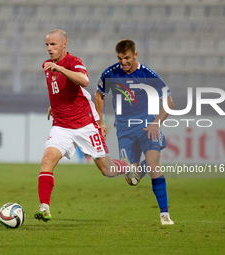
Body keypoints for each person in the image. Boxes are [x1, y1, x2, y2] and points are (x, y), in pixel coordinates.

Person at [34, 29, 138, 222]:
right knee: (47, 161)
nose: (49, 48)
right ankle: (44, 207)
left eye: (53, 44)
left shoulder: (72, 62)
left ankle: (126, 165)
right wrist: (54, 105)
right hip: (61, 126)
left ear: (64, 44)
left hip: (85, 124)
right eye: (47, 45)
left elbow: (84, 80)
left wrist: (61, 69)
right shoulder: (47, 65)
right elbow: (61, 91)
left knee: (106, 171)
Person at [94, 39, 175, 225]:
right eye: (120, 58)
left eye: (127, 58)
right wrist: (100, 121)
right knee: (132, 180)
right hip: (124, 130)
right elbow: (99, 94)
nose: (124, 63)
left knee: (155, 166)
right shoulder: (111, 73)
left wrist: (157, 122)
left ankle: (164, 214)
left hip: (147, 125)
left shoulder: (147, 74)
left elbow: (169, 102)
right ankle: (141, 166)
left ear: (135, 55)